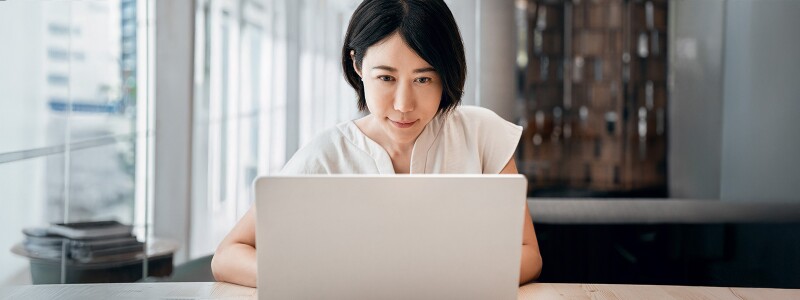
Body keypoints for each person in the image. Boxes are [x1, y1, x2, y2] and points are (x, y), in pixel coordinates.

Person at [211, 0, 543, 287]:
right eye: (386, 78)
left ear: (446, 74)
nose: (403, 104)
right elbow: (228, 255)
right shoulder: (327, 155)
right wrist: (311, 279)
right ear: (357, 66)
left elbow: (528, 253)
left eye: (423, 79)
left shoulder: (481, 133)